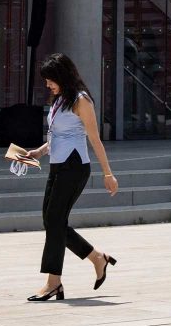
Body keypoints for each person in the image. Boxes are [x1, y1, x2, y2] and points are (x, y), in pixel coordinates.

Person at [19, 54, 119, 302]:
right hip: (57, 166)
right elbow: (56, 136)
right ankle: (97, 258)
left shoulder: (80, 100)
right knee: (52, 221)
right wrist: (38, 153)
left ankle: (53, 282)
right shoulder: (60, 99)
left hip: (74, 168)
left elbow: (94, 139)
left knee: (54, 220)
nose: (47, 85)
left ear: (62, 76)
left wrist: (108, 173)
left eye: (50, 79)